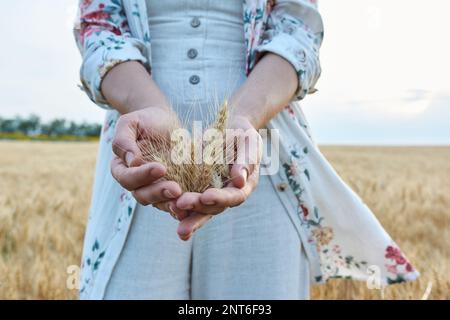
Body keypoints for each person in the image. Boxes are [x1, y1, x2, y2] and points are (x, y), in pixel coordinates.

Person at [74, 0, 419, 299]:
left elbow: (299, 27)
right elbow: (99, 25)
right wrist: (146, 107)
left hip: (259, 152)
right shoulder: (141, 148)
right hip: (141, 152)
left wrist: (242, 118)